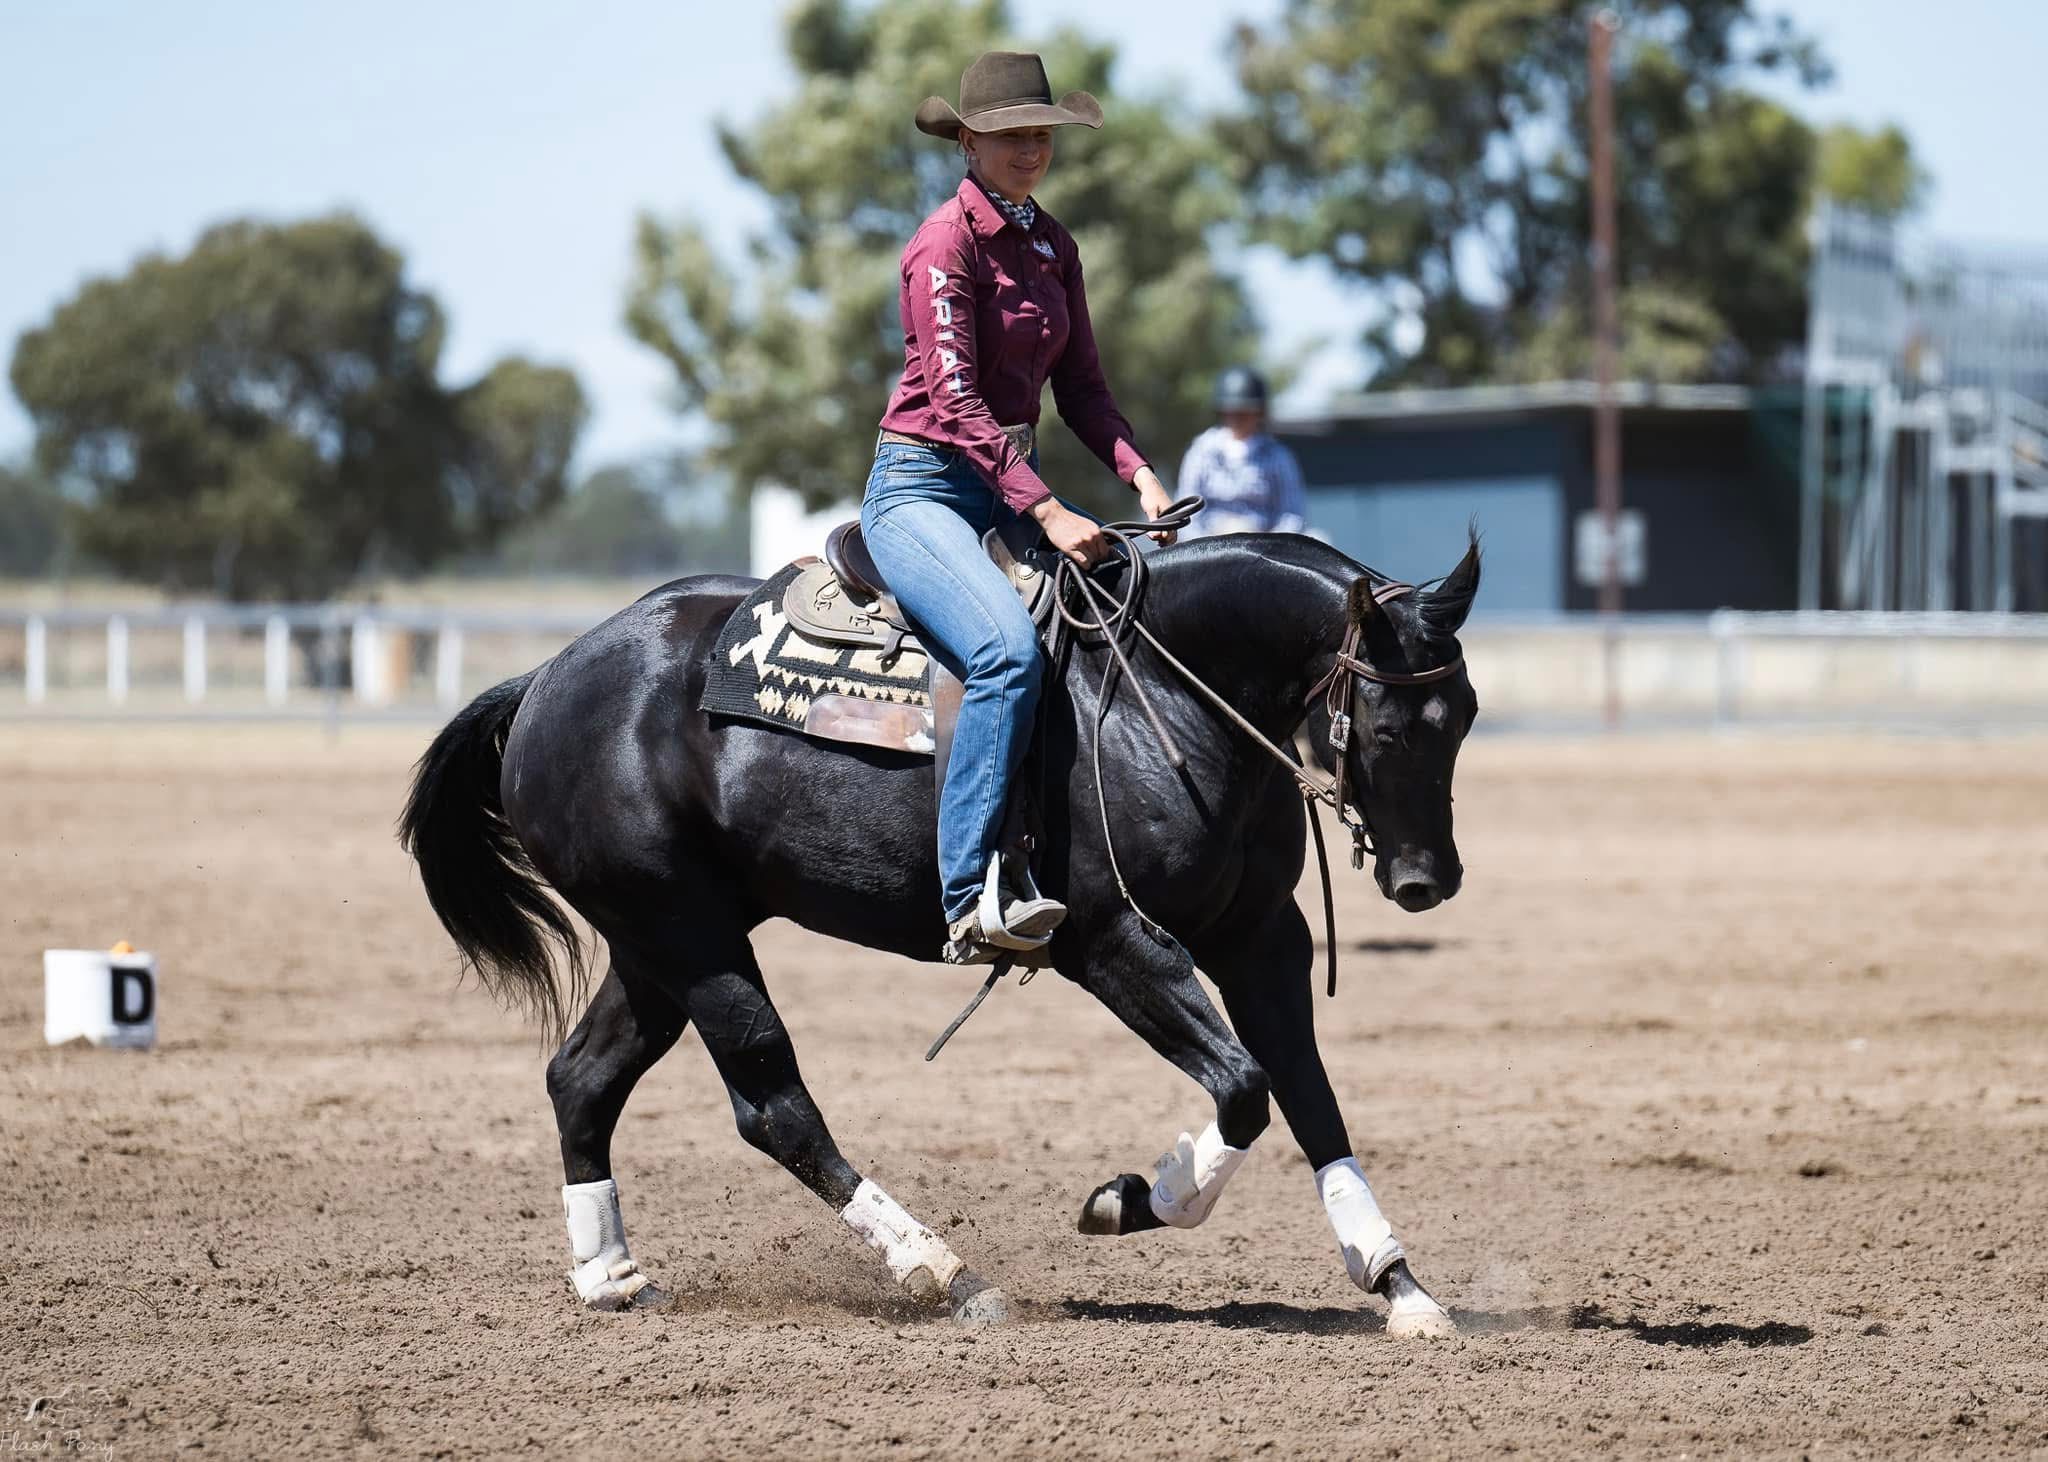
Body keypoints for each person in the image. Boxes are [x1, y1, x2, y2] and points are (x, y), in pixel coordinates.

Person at [861, 50, 1178, 965]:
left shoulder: (1053, 247)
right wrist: (1046, 512)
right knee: (1004, 653)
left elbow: (1082, 389)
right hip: (922, 487)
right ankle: (969, 897)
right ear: (967, 142)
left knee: (1126, 612)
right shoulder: (943, 245)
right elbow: (956, 403)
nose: (1030, 148)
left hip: (1007, 489)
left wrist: (1137, 474)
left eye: (1041, 133)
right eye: (1009, 136)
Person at [1177, 367, 1310, 538]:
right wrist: (1201, 545)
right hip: (1210, 542)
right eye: (1232, 411)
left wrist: (1272, 544)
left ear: (1259, 412)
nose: (1237, 417)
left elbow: (1292, 513)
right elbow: (1187, 509)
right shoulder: (1202, 452)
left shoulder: (1277, 456)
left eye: (1244, 411)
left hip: (1262, 543)